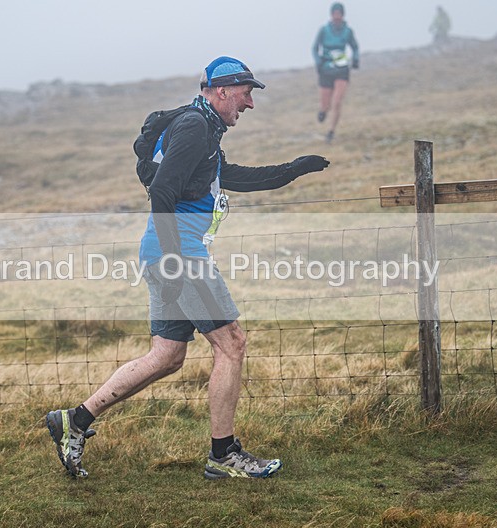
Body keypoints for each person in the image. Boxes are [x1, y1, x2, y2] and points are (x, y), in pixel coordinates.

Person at [46, 56, 330, 480]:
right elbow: (162, 191)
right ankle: (223, 456)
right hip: (178, 255)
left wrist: (290, 171)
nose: (250, 103)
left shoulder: (203, 129)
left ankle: (76, 419)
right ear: (221, 91)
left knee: (167, 355)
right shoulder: (196, 127)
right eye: (246, 93)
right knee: (231, 343)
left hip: (161, 251)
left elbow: (229, 176)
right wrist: (178, 261)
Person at [312, 2, 359, 144]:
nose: (337, 16)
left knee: (337, 101)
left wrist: (355, 60)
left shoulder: (348, 31)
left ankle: (331, 131)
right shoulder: (324, 30)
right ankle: (323, 111)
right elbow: (315, 48)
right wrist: (318, 62)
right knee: (326, 104)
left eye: (340, 14)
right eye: (335, 14)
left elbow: (355, 47)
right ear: (331, 15)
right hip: (326, 67)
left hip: (342, 68)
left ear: (342, 15)